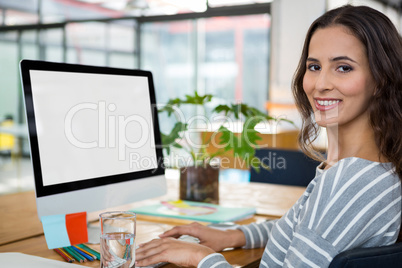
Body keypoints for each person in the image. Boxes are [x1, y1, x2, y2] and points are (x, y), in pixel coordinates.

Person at [135, 5, 402, 267]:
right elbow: (310, 229)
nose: (321, 84)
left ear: (380, 78)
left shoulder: (349, 181)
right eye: (314, 66)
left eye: (343, 67)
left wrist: (198, 258)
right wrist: (234, 236)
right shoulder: (366, 168)